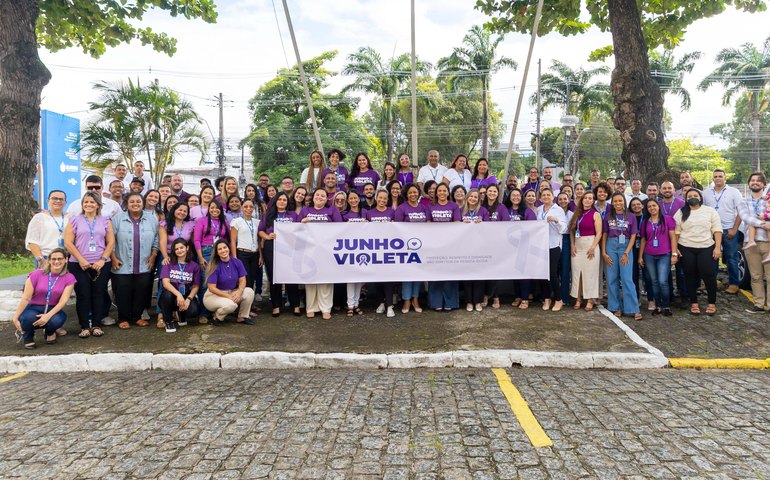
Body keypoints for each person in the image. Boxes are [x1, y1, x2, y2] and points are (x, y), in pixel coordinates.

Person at [63, 191, 115, 339]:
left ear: (98, 204)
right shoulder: (74, 220)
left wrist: (102, 259)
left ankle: (97, 325)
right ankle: (85, 326)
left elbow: (111, 242)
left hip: (100, 264)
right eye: (86, 202)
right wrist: (81, 259)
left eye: (92, 202)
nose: (88, 204)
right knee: (83, 295)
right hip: (78, 264)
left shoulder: (105, 220)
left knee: (99, 294)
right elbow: (68, 243)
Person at [110, 192, 159, 329]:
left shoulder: (151, 219)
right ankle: (123, 318)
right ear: (126, 204)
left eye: (138, 201)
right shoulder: (117, 219)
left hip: (144, 262)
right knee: (123, 291)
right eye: (132, 201)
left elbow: (157, 238)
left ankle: (137, 317)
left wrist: (154, 254)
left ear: (143, 203)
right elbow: (110, 239)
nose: (135, 204)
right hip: (122, 262)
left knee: (141, 290)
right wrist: (113, 257)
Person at [10, 248, 76, 349]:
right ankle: (28, 337)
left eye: (60, 259)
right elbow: (26, 298)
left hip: (53, 308)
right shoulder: (36, 274)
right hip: (34, 307)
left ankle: (49, 332)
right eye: (53, 259)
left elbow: (63, 301)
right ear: (49, 260)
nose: (56, 261)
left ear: (66, 260)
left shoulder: (69, 277)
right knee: (27, 318)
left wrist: (47, 316)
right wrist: (15, 317)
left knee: (58, 319)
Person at [674, 189, 722, 316]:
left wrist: (717, 247)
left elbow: (717, 230)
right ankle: (694, 303)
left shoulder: (710, 211)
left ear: (700, 198)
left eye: (695, 195)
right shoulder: (680, 213)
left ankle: (712, 303)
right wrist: (676, 249)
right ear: (686, 199)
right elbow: (676, 232)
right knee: (689, 275)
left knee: (709, 275)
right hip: (686, 247)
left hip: (706, 247)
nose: (693, 197)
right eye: (690, 196)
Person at [299, 189, 343, 319]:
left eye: (323, 196)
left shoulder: (332, 210)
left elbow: (340, 228)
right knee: (310, 278)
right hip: (309, 250)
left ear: (326, 199)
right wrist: (302, 223)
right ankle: (311, 307)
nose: (320, 197)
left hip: (327, 250)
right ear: (313, 198)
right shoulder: (305, 210)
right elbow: (295, 228)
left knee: (326, 278)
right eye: (317, 195)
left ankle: (325, 308)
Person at [258, 192, 301, 317]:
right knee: (274, 277)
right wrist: (267, 236)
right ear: (275, 201)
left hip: (289, 247)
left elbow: (300, 230)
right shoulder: (268, 215)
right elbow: (260, 231)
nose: (282, 202)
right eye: (280, 199)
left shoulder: (293, 215)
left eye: (284, 200)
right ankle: (276, 306)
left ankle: (295, 305)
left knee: (291, 275)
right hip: (271, 246)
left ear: (288, 202)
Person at [702, 169, 743, 294]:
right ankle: (711, 283)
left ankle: (734, 283)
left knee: (731, 258)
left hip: (728, 230)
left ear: (725, 178)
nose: (718, 178)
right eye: (715, 176)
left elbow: (741, 211)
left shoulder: (734, 192)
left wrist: (735, 229)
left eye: (720, 176)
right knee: (711, 258)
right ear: (713, 178)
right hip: (711, 231)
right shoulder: (706, 193)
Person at [601, 193, 641, 320]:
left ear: (624, 202)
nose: (618, 203)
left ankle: (633, 308)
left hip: (625, 247)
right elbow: (604, 235)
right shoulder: (608, 216)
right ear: (612, 203)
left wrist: (626, 253)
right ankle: (615, 307)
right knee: (612, 278)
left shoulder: (631, 216)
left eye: (620, 201)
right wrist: (604, 252)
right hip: (610, 247)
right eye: (615, 201)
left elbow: (634, 235)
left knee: (626, 279)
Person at [638, 198, 678, 316]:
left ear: (658, 206)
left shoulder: (667, 219)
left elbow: (673, 238)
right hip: (649, 254)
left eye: (654, 206)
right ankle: (658, 305)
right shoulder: (645, 221)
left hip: (664, 254)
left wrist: (674, 254)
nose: (652, 208)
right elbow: (643, 240)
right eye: (649, 206)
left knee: (662, 281)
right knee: (654, 281)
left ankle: (666, 306)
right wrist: (640, 256)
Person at [395, 183, 430, 314]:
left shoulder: (424, 208)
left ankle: (415, 299)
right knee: (407, 274)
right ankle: (406, 300)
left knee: (418, 274)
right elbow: (397, 229)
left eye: (415, 192)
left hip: (421, 246)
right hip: (406, 247)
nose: (413, 195)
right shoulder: (401, 208)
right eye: (410, 193)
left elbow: (428, 226)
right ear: (406, 194)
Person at [193, 199, 230, 323]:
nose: (214, 210)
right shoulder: (201, 221)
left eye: (217, 208)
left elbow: (226, 239)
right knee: (206, 282)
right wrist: (200, 257)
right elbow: (197, 240)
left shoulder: (224, 222)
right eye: (212, 207)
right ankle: (203, 313)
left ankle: (216, 309)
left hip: (220, 253)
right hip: (206, 252)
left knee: (219, 282)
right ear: (208, 209)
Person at [158, 202, 195, 325]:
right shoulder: (165, 224)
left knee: (184, 281)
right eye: (180, 210)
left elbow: (192, 243)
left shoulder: (190, 224)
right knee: (165, 286)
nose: (182, 212)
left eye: (185, 211)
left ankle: (181, 310)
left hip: (184, 257)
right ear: (174, 210)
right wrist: (165, 257)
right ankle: (162, 314)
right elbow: (162, 241)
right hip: (168, 257)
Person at [203, 240, 255, 326]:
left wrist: (239, 292)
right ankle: (217, 317)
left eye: (225, 247)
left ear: (229, 248)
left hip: (231, 291)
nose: (223, 250)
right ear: (216, 252)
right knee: (231, 305)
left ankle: (242, 317)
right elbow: (212, 288)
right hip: (213, 296)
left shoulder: (237, 262)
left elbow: (242, 280)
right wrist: (229, 297)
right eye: (220, 249)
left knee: (249, 292)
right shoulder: (214, 265)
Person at [738, 172, 770, 313]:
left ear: (763, 184)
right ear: (749, 183)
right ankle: (758, 304)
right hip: (750, 244)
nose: (755, 182)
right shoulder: (743, 201)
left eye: (758, 180)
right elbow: (746, 218)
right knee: (756, 276)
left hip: (768, 242)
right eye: (752, 180)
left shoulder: (768, 200)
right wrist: (764, 224)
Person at [428, 183, 461, 311]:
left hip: (450, 245)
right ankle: (435, 302)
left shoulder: (454, 206)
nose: (442, 193)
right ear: (436, 193)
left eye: (444, 191)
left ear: (448, 193)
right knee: (435, 274)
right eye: (439, 191)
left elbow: (457, 224)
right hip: (434, 245)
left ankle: (450, 302)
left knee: (449, 274)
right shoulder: (430, 206)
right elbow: (428, 224)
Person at [366, 189, 397, 317]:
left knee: (388, 279)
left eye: (385, 198)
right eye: (380, 198)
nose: (382, 200)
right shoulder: (369, 213)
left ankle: (390, 306)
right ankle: (381, 303)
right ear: (376, 198)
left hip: (388, 250)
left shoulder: (392, 212)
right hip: (374, 249)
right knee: (377, 279)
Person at [159, 238, 201, 332]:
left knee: (193, 311)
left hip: (186, 295)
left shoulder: (194, 266)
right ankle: (169, 321)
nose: (179, 250)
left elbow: (196, 286)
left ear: (187, 248)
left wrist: (189, 299)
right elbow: (165, 283)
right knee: (167, 295)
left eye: (181, 247)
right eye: (176, 249)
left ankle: (182, 314)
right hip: (171, 297)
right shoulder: (168, 263)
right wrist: (178, 295)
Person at [570, 191, 602, 311]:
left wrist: (593, 247)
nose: (588, 200)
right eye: (586, 198)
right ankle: (578, 299)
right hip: (578, 245)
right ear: (582, 199)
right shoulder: (577, 213)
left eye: (590, 198)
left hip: (590, 244)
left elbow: (599, 233)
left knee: (590, 274)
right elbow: (572, 231)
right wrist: (573, 245)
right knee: (577, 273)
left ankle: (589, 300)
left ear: (593, 201)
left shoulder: (596, 214)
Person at [537, 188, 568, 312]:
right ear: (540, 198)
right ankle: (546, 298)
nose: (545, 197)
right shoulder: (539, 210)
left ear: (552, 197)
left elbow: (564, 228)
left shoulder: (558, 210)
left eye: (548, 195)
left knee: (552, 273)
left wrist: (555, 220)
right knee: (542, 273)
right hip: (540, 245)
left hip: (553, 245)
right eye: (543, 195)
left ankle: (558, 299)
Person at [230, 198, 261, 317]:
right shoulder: (236, 221)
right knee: (243, 280)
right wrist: (234, 257)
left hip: (254, 254)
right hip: (242, 253)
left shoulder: (256, 222)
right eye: (246, 206)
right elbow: (233, 240)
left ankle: (249, 304)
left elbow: (258, 240)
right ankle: (241, 308)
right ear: (242, 208)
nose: (248, 209)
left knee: (251, 279)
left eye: (251, 207)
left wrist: (261, 256)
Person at [505, 187, 536, 308]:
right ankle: (517, 296)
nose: (516, 197)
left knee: (524, 272)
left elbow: (533, 228)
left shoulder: (527, 211)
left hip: (524, 247)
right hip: (509, 247)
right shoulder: (506, 210)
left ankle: (525, 298)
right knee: (514, 272)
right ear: (510, 197)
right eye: (513, 195)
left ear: (521, 197)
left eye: (518, 195)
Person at [26, 190, 69, 268]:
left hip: (65, 258)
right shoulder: (39, 217)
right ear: (48, 201)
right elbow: (32, 241)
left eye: (61, 199)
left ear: (65, 202)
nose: (58, 201)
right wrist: (40, 259)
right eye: (54, 198)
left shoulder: (70, 217)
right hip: (46, 257)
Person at [462, 189, 488, 312]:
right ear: (467, 197)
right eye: (471, 196)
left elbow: (490, 227)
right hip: (464, 247)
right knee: (467, 275)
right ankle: (468, 302)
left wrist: (482, 223)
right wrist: (462, 223)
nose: (473, 198)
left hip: (479, 247)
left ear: (479, 199)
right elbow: (454, 225)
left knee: (479, 275)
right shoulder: (461, 210)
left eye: (476, 197)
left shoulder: (483, 211)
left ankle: (478, 301)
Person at [557, 192, 574, 307]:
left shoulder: (572, 214)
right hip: (554, 240)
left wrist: (572, 245)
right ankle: (554, 296)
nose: (563, 201)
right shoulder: (554, 212)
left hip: (567, 240)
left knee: (565, 270)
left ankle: (564, 297)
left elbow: (572, 231)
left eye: (565, 199)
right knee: (554, 270)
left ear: (569, 200)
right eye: (560, 199)